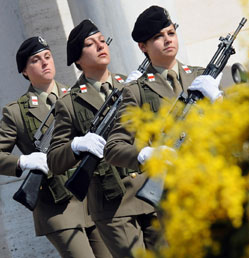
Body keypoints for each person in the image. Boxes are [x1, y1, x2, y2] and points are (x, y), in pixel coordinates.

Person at [104, 3, 223, 248]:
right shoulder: (135, 92)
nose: (168, 40)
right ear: (142, 46)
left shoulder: (202, 78)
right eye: (158, 36)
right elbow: (113, 147)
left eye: (171, 33)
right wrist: (148, 154)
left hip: (217, 185)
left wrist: (220, 101)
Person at [47, 19, 160, 258]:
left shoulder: (134, 85)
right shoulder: (69, 103)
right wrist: (76, 146)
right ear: (78, 59)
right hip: (113, 205)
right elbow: (55, 160)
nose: (101, 46)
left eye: (102, 40)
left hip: (151, 192)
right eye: (91, 43)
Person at [0, 36, 111, 258]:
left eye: (48, 57)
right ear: (24, 71)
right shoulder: (16, 112)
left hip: (92, 200)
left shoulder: (77, 96)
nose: (45, 63)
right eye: (36, 60)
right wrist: (22, 161)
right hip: (56, 207)